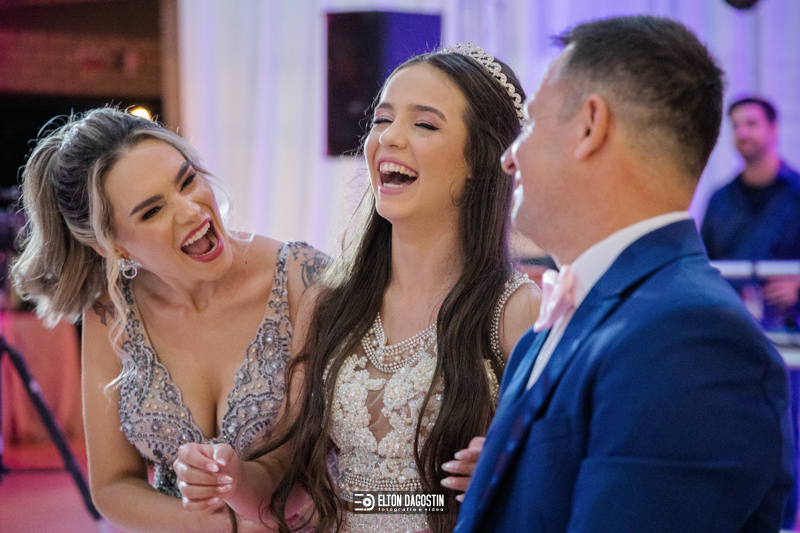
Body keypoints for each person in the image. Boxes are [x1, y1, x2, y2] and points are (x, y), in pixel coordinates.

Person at [173, 45, 541, 533]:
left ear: (481, 158)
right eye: (382, 119)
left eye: (424, 124)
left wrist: (509, 479)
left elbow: (556, 480)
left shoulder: (516, 312)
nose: (389, 137)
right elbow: (288, 479)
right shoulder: (331, 302)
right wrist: (232, 478)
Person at [455, 16, 795, 533]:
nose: (508, 158)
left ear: (590, 126)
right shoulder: (560, 321)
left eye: (530, 124)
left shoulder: (691, 338)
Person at [11, 107, 327, 532]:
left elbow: (302, 465)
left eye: (187, 180)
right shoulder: (111, 311)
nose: (191, 210)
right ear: (113, 247)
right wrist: (217, 527)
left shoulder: (304, 280)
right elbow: (112, 486)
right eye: (152, 211)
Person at [701, 97, 800, 331]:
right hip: (732, 330)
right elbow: (703, 262)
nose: (742, 133)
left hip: (790, 333)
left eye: (751, 124)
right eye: (736, 126)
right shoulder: (719, 200)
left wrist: (797, 286)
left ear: (773, 129)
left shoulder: (796, 194)